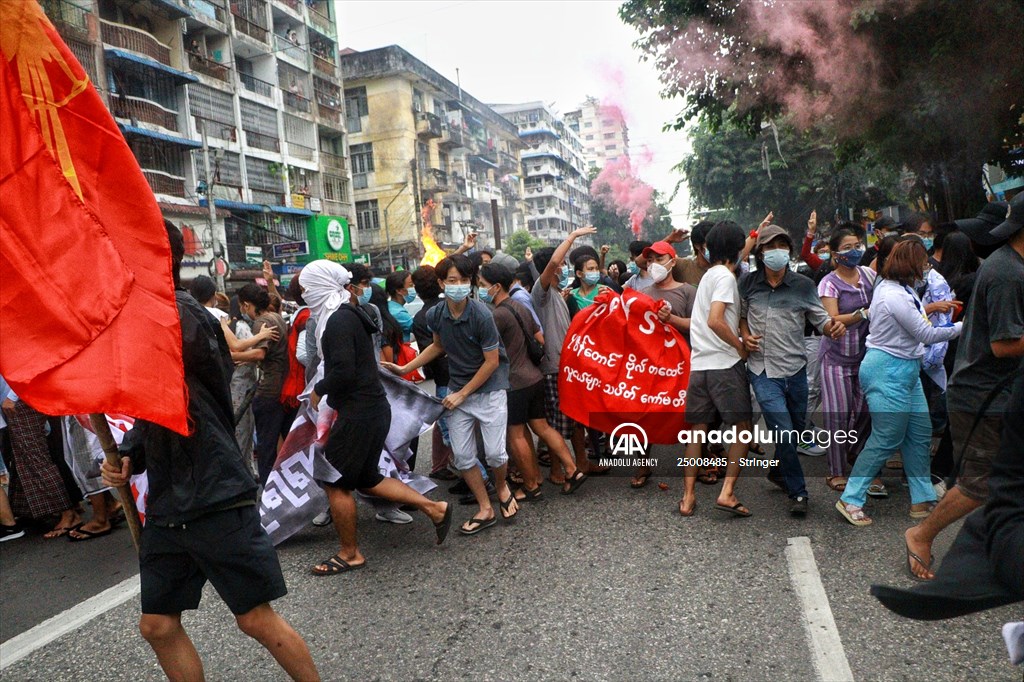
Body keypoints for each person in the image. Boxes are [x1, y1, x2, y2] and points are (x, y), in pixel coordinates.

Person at [102, 222, 320, 681]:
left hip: (215, 492)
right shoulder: (151, 313)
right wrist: (130, 452)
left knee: (253, 617)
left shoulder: (178, 314)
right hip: (169, 499)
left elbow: (171, 393)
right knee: (158, 624)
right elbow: (153, 405)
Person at [301, 261, 452, 574]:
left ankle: (350, 553)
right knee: (367, 477)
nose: (304, 293)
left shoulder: (339, 319)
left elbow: (342, 370)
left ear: (322, 286)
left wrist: (320, 391)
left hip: (359, 412)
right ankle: (435, 508)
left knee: (336, 482)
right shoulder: (347, 312)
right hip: (368, 408)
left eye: (307, 286)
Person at [904, 193, 1024, 579]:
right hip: (983, 396)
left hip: (1005, 394)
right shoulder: (1008, 274)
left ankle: (1000, 548)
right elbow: (1003, 345)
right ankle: (921, 534)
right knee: (980, 483)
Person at [385, 254, 519, 535]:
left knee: (495, 455)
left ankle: (503, 487)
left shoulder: (482, 314)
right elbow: (438, 346)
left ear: (470, 283)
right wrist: (405, 368)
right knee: (463, 456)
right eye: (452, 280)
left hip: (489, 392)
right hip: (459, 391)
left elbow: (492, 361)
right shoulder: (435, 314)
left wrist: (461, 394)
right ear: (441, 282)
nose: (458, 285)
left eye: (464, 280)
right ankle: (485, 508)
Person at [837, 240, 962, 527]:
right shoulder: (892, 294)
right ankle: (850, 498)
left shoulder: (903, 290)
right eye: (923, 263)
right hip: (886, 370)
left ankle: (921, 498)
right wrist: (965, 326)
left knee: (919, 433)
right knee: (888, 436)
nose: (926, 268)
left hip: (906, 369)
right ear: (910, 265)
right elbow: (925, 334)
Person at [740, 225, 845, 516]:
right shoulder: (748, 284)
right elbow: (741, 316)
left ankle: (777, 470)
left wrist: (832, 328)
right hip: (763, 370)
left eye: (782, 246)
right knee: (784, 433)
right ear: (761, 253)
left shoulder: (803, 285)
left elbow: (821, 318)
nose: (777, 252)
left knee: (796, 430)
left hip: (796, 368)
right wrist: (745, 335)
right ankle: (798, 493)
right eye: (771, 247)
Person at [478, 262, 585, 499]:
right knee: (543, 427)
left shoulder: (496, 315)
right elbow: (540, 338)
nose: (479, 289)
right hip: (535, 377)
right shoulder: (521, 305)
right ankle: (572, 469)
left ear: (496, 286)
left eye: (482, 285)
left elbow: (487, 353)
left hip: (514, 383)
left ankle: (531, 485)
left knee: (515, 434)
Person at [678, 221, 754, 518]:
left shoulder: (710, 275)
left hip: (700, 366)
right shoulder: (724, 277)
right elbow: (715, 320)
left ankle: (687, 497)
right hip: (724, 364)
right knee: (743, 430)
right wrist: (740, 346)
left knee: (697, 433)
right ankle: (727, 491)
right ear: (736, 251)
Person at [531, 227, 607, 485]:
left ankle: (583, 463)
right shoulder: (540, 293)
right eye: (561, 265)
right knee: (556, 424)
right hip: (553, 368)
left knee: (575, 420)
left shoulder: (557, 295)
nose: (561, 268)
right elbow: (552, 261)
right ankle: (557, 470)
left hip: (569, 366)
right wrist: (572, 237)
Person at [629, 240, 696, 489]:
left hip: (681, 366)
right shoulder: (643, 294)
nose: (653, 264)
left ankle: (694, 464)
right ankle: (643, 462)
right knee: (643, 415)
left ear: (672, 261)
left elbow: (697, 324)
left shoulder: (688, 291)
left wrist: (672, 320)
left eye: (659, 258)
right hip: (650, 368)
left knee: (687, 415)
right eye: (649, 260)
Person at [817, 227, 876, 491]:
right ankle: (836, 470)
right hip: (836, 358)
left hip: (867, 357)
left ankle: (858, 459)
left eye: (857, 245)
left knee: (866, 412)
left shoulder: (869, 275)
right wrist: (863, 314)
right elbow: (831, 318)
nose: (855, 251)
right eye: (848, 247)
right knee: (838, 415)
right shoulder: (829, 282)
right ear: (835, 253)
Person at [235, 283, 292, 485]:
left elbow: (261, 352)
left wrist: (233, 355)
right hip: (283, 389)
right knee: (289, 446)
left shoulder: (261, 322)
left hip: (269, 391)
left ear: (247, 305)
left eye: (243, 306)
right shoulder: (276, 316)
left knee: (267, 451)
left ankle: (269, 495)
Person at [384, 271, 415, 343]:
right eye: (411, 285)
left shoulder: (390, 307)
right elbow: (421, 329)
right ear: (399, 290)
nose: (413, 288)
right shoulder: (398, 313)